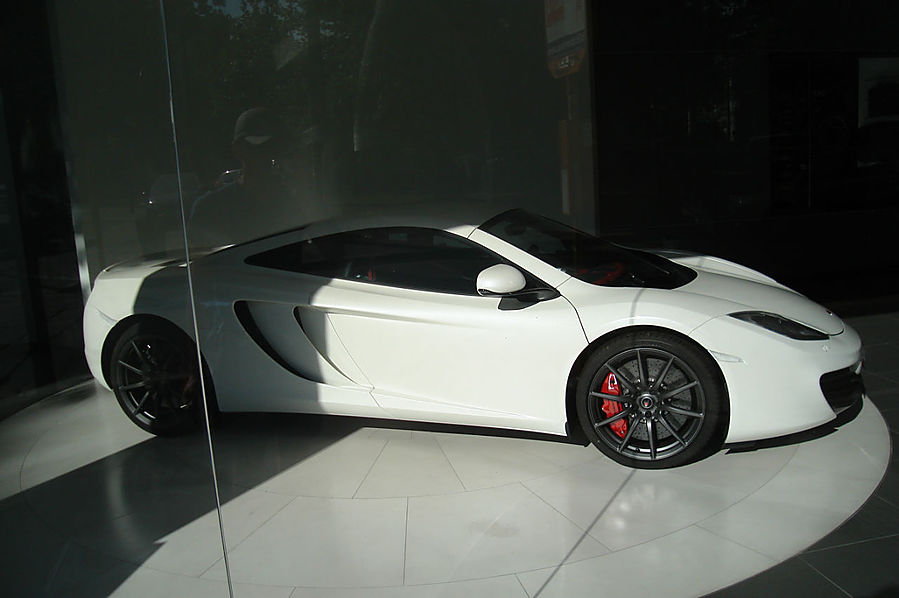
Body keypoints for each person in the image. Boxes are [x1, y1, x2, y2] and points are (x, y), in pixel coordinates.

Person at [189, 107, 315, 247]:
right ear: (237, 149)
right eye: (259, 147)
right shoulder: (210, 210)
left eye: (275, 146)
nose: (268, 155)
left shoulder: (296, 203)